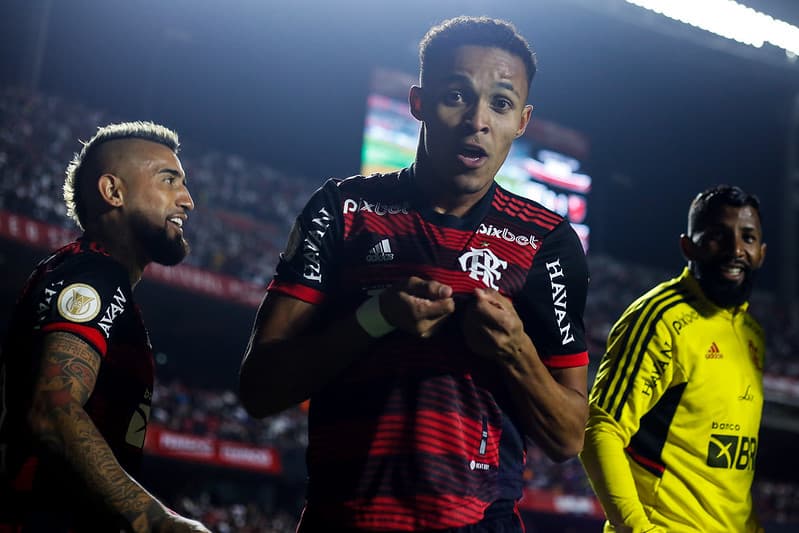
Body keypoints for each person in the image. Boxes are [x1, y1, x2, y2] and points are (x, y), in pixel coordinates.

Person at [239, 16, 590, 532]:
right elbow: (259, 390)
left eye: (500, 103)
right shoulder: (342, 209)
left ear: (522, 120)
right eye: (456, 96)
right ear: (418, 102)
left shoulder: (549, 241)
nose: (477, 121)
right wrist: (375, 319)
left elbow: (567, 438)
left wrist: (515, 350)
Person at [0, 121, 210, 532]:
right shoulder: (95, 273)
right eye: (169, 181)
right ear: (113, 192)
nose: (187, 201)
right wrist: (158, 522)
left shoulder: (86, 273)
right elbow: (54, 410)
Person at [580, 185, 767, 532]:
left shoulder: (751, 334)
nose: (735, 249)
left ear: (761, 253)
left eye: (748, 237)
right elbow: (600, 429)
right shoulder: (661, 318)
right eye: (717, 235)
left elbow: (732, 477)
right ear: (688, 246)